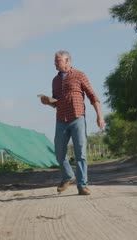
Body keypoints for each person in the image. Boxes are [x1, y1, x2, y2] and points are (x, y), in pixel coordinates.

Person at [41, 50, 104, 195]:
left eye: (58, 61)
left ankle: (82, 185)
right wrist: (47, 102)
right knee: (59, 153)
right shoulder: (55, 80)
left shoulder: (79, 75)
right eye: (55, 61)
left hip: (77, 118)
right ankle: (68, 176)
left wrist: (99, 116)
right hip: (61, 120)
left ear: (67, 61)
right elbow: (56, 102)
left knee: (80, 153)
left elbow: (93, 96)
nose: (55, 64)